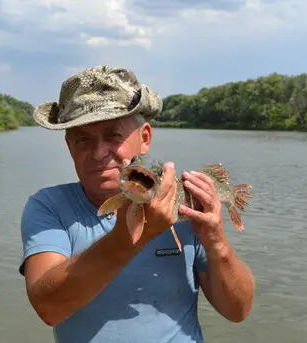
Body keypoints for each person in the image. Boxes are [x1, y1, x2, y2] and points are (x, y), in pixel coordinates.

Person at [18, 65, 255, 343]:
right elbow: (49, 308)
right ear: (69, 146)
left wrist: (217, 243)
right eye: (83, 139)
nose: (98, 153)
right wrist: (132, 237)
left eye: (113, 136)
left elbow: (238, 310)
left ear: (144, 138)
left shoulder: (187, 208)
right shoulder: (48, 206)